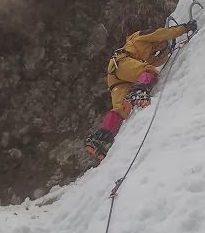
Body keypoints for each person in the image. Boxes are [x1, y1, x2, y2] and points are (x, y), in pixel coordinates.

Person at [85, 19, 198, 161]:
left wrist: (167, 52)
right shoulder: (139, 36)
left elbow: (157, 60)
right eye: (162, 45)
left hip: (116, 77)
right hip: (122, 63)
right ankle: (139, 91)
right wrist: (185, 28)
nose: (160, 46)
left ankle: (101, 138)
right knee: (148, 71)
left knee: (122, 109)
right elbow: (162, 33)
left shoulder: (143, 50)